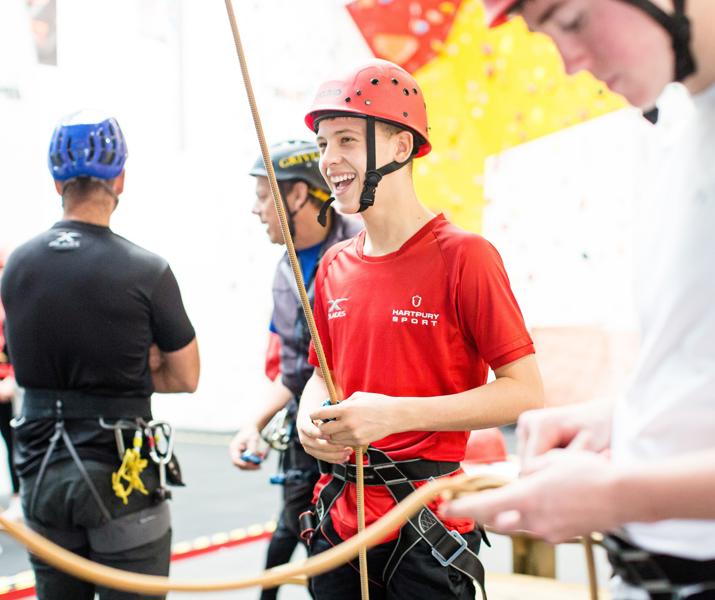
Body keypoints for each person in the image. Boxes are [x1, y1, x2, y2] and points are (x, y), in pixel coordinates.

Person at [442, 1, 715, 598]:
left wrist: (617, 495)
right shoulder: (673, 125)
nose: (569, 63)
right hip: (648, 574)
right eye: (545, 34)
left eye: (571, 19)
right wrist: (622, 417)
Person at [296, 59, 544, 599]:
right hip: (338, 526)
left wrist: (395, 416)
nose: (328, 160)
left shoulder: (465, 258)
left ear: (401, 148)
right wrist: (305, 413)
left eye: (345, 140)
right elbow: (323, 371)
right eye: (321, 145)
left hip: (425, 531)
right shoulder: (334, 266)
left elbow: (524, 392)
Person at [0, 110, 200, 600]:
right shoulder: (146, 270)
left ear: (56, 183)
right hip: (121, 479)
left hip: (42, 478)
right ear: (121, 180)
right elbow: (186, 376)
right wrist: (139, 365)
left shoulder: (16, 266)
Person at [228, 140, 362, 600]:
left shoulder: (361, 250)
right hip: (308, 431)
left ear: (299, 196)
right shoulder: (284, 269)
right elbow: (292, 372)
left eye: (265, 195)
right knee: (295, 526)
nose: (256, 208)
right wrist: (253, 425)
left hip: (367, 437)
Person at [0, 247, 21, 521]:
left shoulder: (15, 307)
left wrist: (12, 382)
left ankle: (19, 497)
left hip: (9, 390)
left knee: (15, 442)